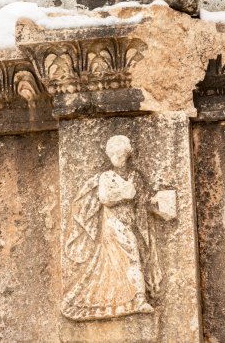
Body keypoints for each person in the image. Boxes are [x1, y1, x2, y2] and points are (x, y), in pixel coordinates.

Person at [62, 135, 161, 321]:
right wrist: (125, 193)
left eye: (120, 152)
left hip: (130, 223)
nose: (117, 156)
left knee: (127, 260)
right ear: (109, 155)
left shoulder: (135, 176)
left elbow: (142, 200)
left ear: (126, 154)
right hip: (113, 225)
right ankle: (138, 298)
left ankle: (128, 299)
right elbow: (105, 198)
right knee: (130, 257)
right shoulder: (106, 177)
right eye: (114, 153)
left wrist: (157, 203)